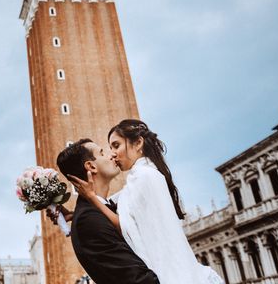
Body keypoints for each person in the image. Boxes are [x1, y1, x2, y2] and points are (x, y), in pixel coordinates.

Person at [71, 119, 223, 284]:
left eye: (116, 145)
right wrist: (71, 213)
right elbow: (118, 203)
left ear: (137, 143)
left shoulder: (144, 177)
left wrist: (91, 197)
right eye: (109, 148)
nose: (112, 153)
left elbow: (126, 228)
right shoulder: (144, 175)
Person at [51, 139, 160, 284]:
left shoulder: (100, 210)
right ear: (91, 166)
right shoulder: (88, 221)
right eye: (102, 153)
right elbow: (137, 279)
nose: (112, 155)